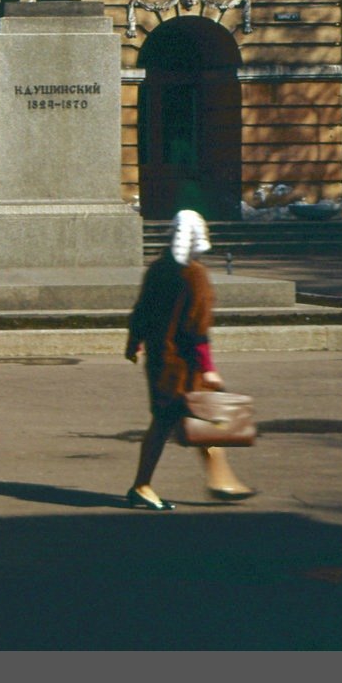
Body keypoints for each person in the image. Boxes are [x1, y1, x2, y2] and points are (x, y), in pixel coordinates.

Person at [123, 208, 252, 509]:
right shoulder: (195, 275)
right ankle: (143, 485)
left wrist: (134, 343)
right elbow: (197, 328)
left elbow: (141, 311)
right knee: (179, 422)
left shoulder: (157, 269)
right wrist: (208, 368)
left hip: (160, 359)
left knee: (193, 421)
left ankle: (221, 481)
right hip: (184, 364)